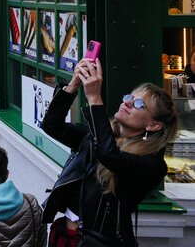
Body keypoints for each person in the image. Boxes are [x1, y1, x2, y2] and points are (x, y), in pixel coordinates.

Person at [41, 59, 179, 246]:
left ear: (153, 125)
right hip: (66, 236)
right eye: (129, 97)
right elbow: (51, 125)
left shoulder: (152, 165)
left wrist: (95, 99)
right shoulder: (94, 137)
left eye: (139, 104)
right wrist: (74, 84)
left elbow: (110, 156)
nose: (128, 103)